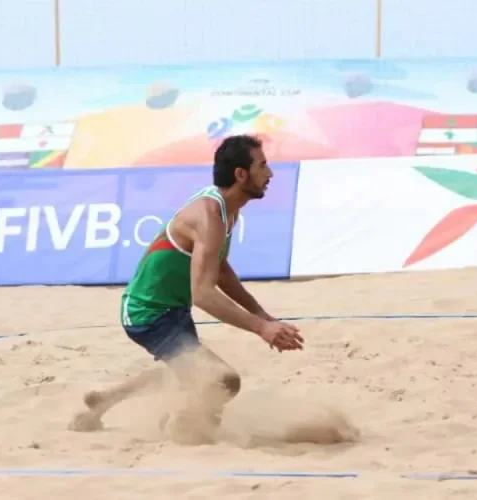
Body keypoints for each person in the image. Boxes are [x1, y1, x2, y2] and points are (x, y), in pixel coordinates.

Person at [68, 134, 305, 444]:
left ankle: (104, 402)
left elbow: (219, 269)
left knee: (186, 371)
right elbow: (204, 294)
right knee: (223, 381)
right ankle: (183, 427)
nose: (270, 174)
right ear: (240, 174)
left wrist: (264, 316)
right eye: (263, 165)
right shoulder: (209, 217)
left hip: (173, 308)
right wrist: (261, 327)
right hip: (148, 313)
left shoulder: (226, 208)